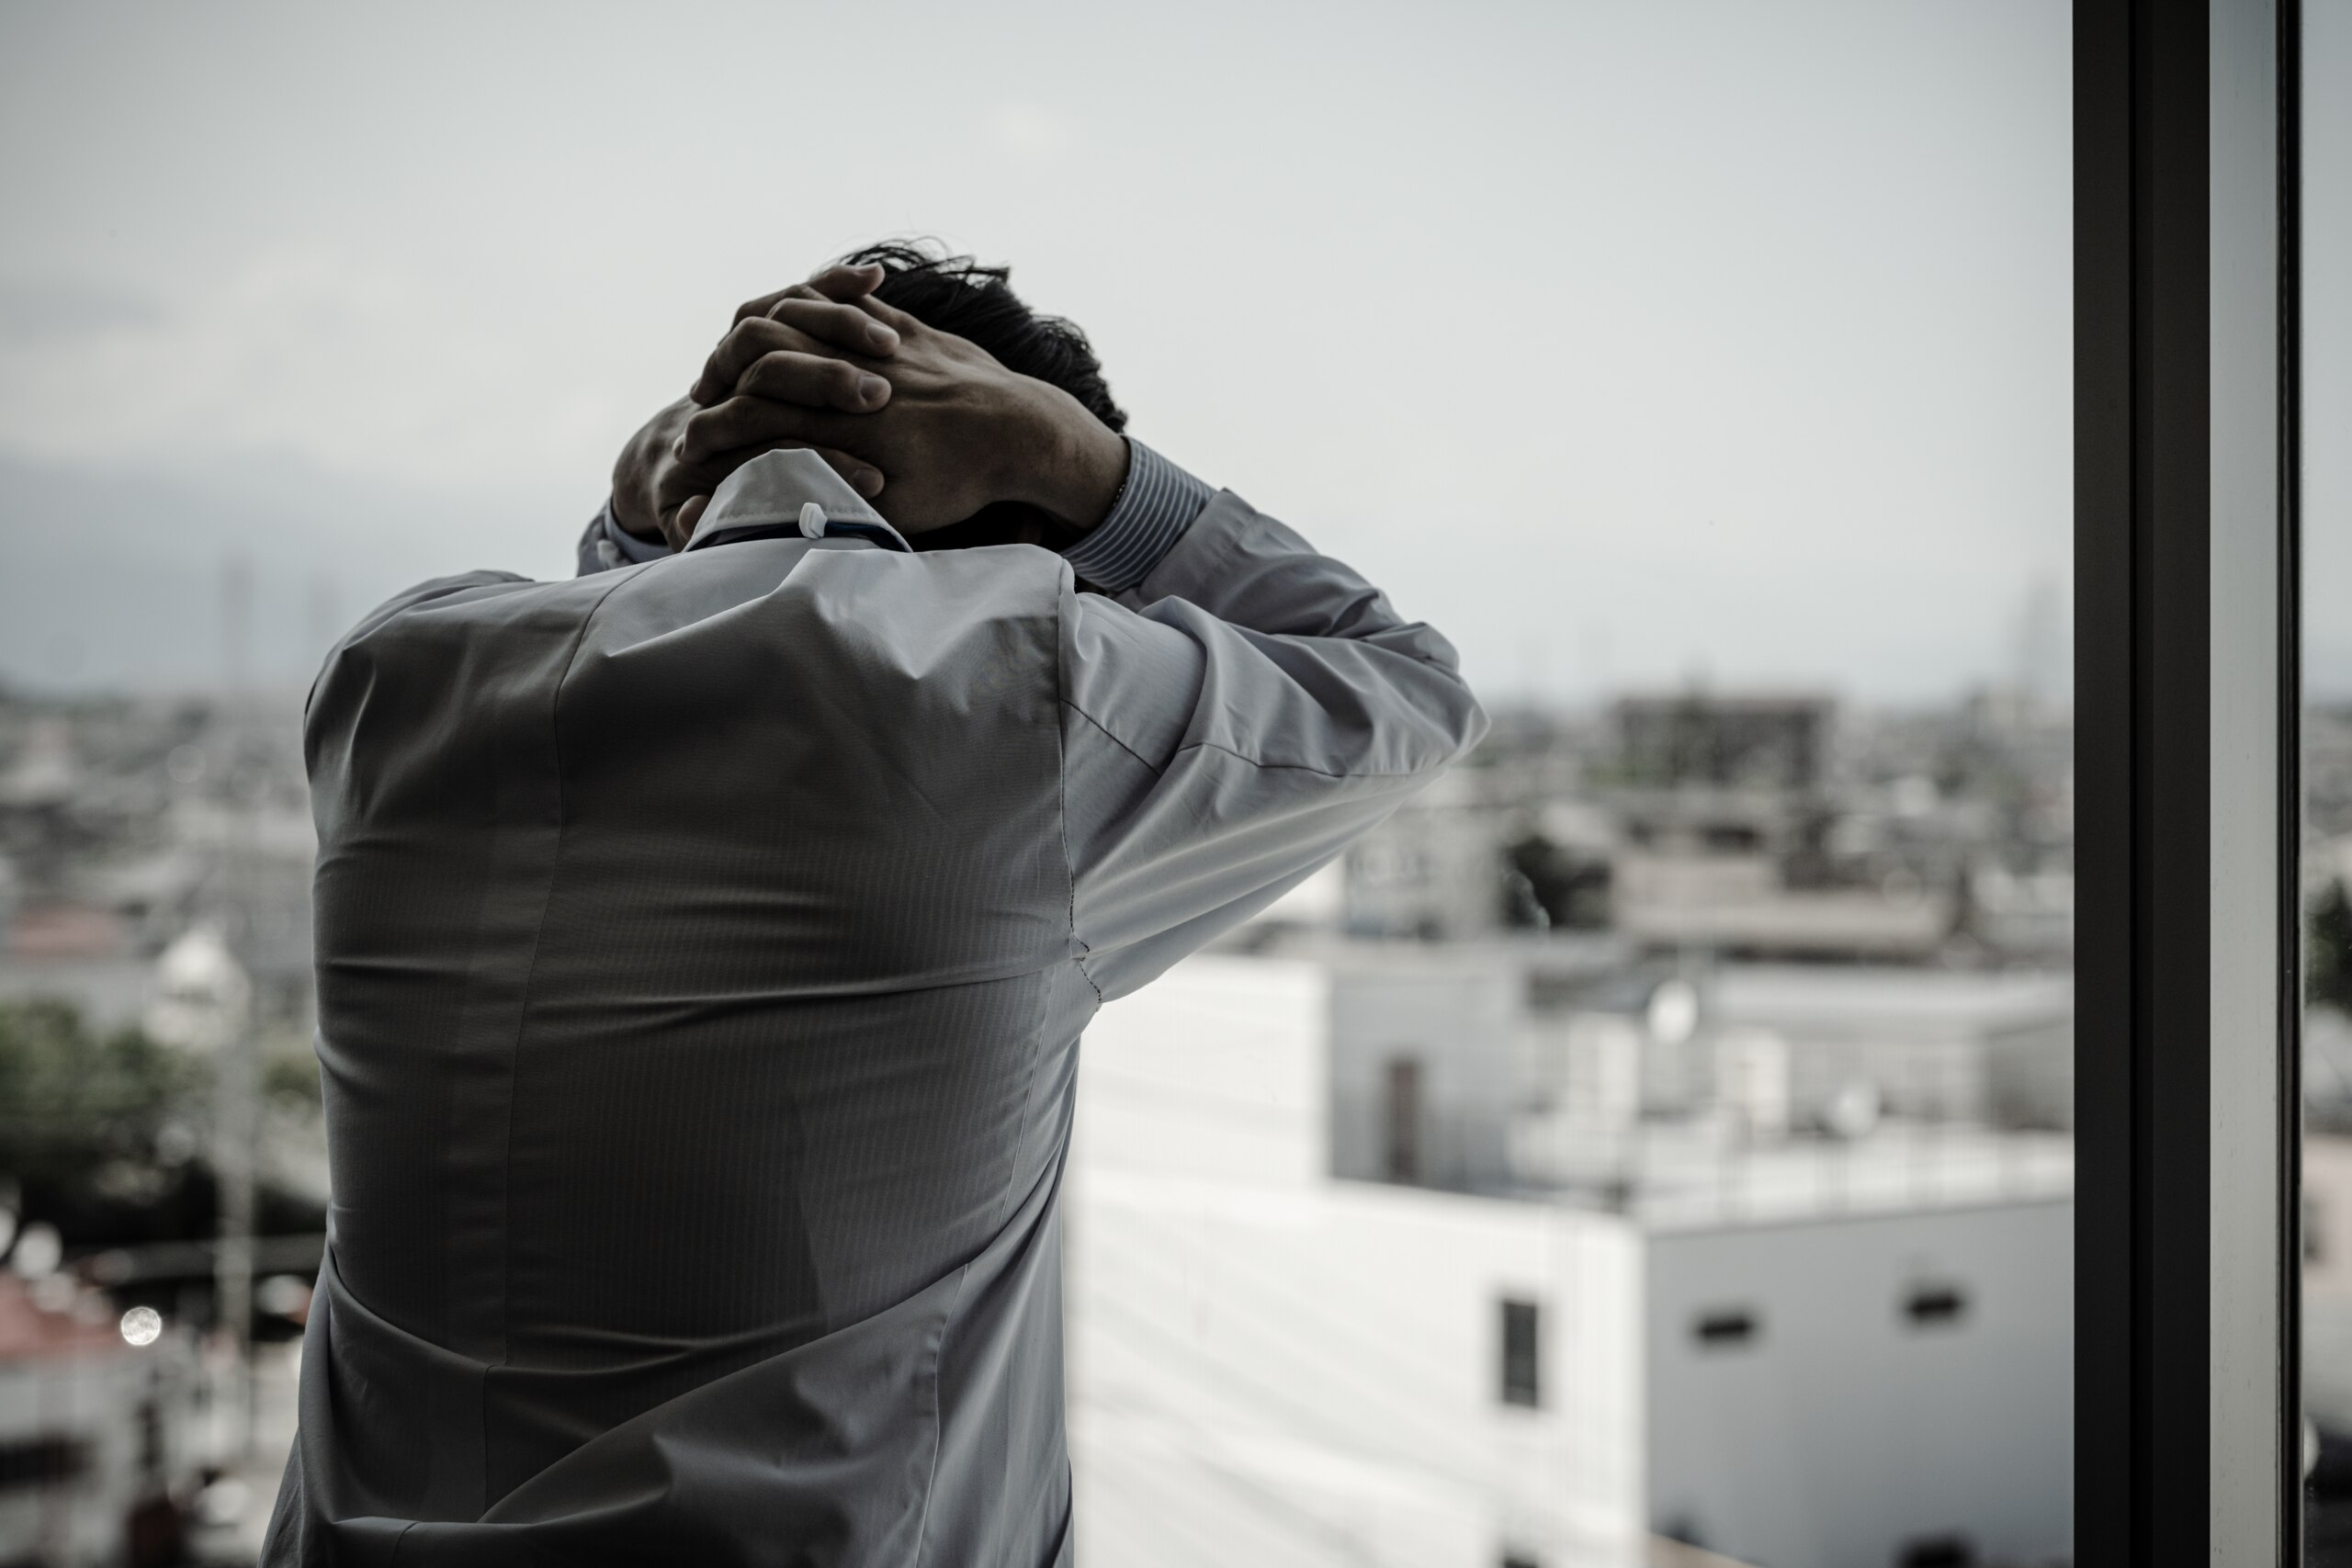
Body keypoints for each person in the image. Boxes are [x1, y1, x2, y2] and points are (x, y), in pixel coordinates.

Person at [262, 243, 1487, 1566]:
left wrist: (658, 505)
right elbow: (1401, 688)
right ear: (1030, 539)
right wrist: (1093, 474)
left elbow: (621, 642)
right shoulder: (1011, 685)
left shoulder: (391, 683)